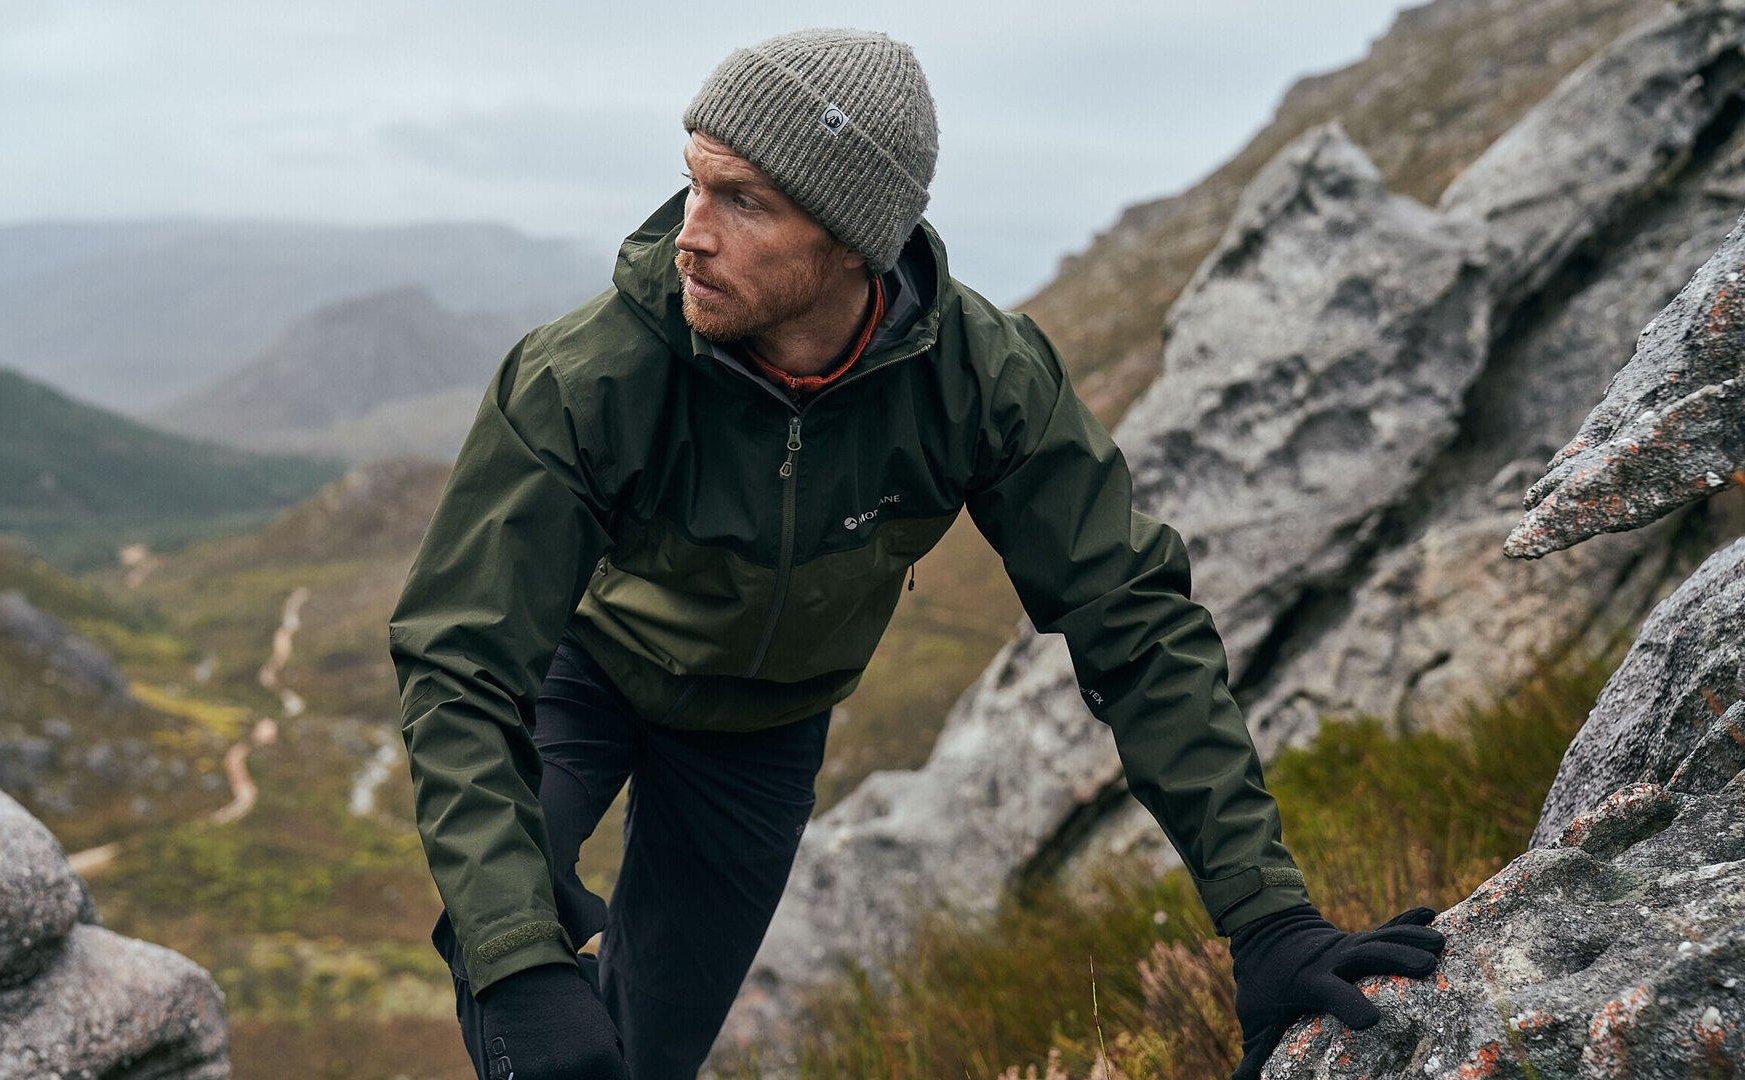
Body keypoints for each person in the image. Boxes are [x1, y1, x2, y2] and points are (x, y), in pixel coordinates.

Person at [388, 26, 1446, 1080]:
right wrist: (520, 965)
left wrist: (1267, 920)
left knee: (647, 1056)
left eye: (743, 200)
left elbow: (1136, 623)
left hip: (763, 731)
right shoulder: (589, 376)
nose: (690, 234)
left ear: (855, 238)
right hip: (584, 682)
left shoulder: (982, 381)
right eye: (693, 185)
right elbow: (461, 664)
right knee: (530, 999)